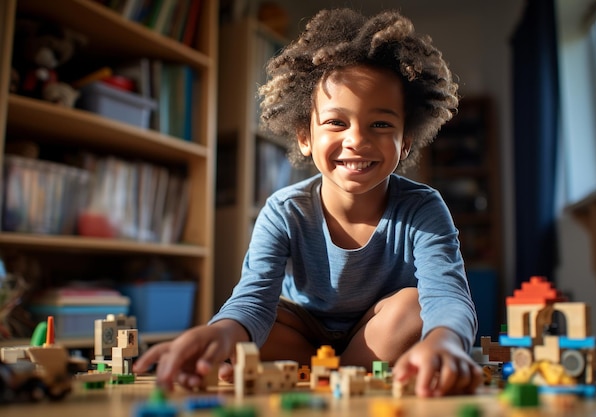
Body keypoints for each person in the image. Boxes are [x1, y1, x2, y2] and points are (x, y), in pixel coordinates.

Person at [134, 8, 482, 398]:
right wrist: (220, 332)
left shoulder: (423, 207)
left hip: (376, 337)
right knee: (248, 330)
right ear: (304, 135)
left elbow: (448, 295)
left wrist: (447, 341)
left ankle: (340, 379)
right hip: (300, 335)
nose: (357, 140)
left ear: (407, 142)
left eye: (381, 124)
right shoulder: (284, 210)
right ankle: (336, 377)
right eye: (336, 122)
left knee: (415, 307)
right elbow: (253, 297)